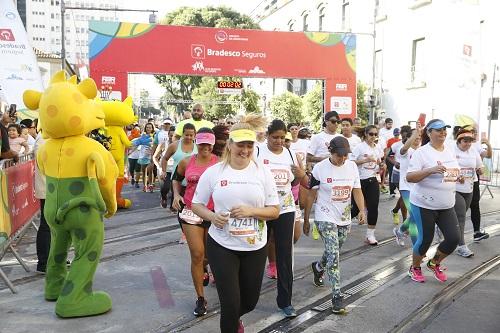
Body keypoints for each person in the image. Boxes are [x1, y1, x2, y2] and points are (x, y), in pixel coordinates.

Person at [191, 114, 280, 333]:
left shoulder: (263, 172)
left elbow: (275, 210)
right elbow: (196, 204)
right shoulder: (214, 173)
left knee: (249, 301)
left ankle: (235, 319)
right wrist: (212, 217)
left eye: (249, 145)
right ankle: (232, 322)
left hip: (255, 246)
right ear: (230, 145)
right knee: (230, 305)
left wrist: (252, 211)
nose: (245, 150)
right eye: (240, 145)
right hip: (222, 245)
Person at [303, 136, 366, 314]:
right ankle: (337, 296)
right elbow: (310, 196)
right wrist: (307, 219)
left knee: (334, 250)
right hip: (325, 215)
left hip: (344, 217)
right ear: (331, 152)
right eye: (340, 155)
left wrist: (362, 210)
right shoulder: (320, 169)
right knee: (334, 254)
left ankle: (318, 267)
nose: (343, 159)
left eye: (346, 155)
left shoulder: (352, 166)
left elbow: (357, 190)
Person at [256, 119, 305, 318]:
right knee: (257, 251)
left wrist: (301, 174)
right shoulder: (258, 151)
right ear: (267, 136)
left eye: (281, 138)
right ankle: (245, 295)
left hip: (285, 209)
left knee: (285, 255)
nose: (278, 141)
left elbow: (296, 178)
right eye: (274, 137)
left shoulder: (291, 153)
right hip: (263, 209)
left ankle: (285, 301)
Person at [406, 119, 461, 283]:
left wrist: (459, 177)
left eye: (445, 129)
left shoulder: (449, 150)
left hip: (446, 204)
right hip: (424, 204)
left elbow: (452, 172)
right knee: (425, 240)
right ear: (429, 133)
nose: (443, 132)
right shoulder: (421, 152)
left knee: (453, 239)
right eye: (438, 130)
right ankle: (415, 267)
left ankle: (434, 262)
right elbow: (409, 177)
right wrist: (430, 170)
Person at [172, 128, 219, 317]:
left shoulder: (221, 163)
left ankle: (205, 268)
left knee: (210, 256)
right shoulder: (187, 162)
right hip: (190, 211)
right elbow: (176, 178)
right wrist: (176, 195)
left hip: (214, 213)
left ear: (213, 144)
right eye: (202, 143)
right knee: (197, 254)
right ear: (196, 143)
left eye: (209, 143)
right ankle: (201, 298)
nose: (205, 147)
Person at [161, 123, 196, 242]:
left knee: (192, 207)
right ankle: (184, 233)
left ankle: (193, 231)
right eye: (187, 135)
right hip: (177, 181)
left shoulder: (198, 147)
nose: (189, 137)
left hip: (193, 183)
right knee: (181, 208)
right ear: (182, 134)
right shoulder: (175, 146)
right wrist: (163, 171)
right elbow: (164, 158)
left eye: (192, 135)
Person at [350, 125, 385, 245]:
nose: (373, 137)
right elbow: (350, 162)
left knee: (373, 207)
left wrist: (381, 166)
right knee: (355, 209)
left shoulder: (377, 147)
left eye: (376, 134)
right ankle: (341, 224)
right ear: (365, 134)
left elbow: (380, 161)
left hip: (372, 179)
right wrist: (364, 160)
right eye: (371, 134)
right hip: (359, 181)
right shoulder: (359, 147)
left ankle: (370, 235)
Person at [453, 129, 483, 258]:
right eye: (465, 141)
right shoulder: (451, 150)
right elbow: (444, 169)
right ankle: (461, 246)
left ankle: (444, 228)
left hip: (469, 188)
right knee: (461, 217)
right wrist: (456, 175)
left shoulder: (473, 151)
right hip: (454, 189)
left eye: (470, 141)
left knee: (458, 217)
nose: (468, 144)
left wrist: (481, 170)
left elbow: (479, 166)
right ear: (459, 141)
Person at [393, 126, 422, 247]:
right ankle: (417, 246)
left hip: (418, 188)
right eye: (415, 137)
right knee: (414, 215)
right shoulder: (404, 150)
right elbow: (405, 148)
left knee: (415, 217)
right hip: (406, 187)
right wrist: (414, 134)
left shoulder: (421, 152)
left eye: (419, 137)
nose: (417, 139)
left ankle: (399, 231)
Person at [466, 125, 492, 242]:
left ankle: (476, 232)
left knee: (475, 205)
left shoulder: (475, 147)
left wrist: (488, 144)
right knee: (460, 209)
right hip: (457, 183)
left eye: (474, 132)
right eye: (471, 132)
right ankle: (450, 233)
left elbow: (488, 156)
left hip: (473, 181)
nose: (474, 134)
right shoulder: (453, 146)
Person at [153, 125, 176, 208]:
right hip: (164, 170)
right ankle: (164, 197)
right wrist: (159, 167)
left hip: (175, 170)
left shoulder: (180, 146)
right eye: (171, 135)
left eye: (174, 136)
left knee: (175, 190)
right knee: (165, 188)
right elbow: (155, 157)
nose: (172, 138)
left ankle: (173, 207)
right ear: (168, 135)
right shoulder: (163, 144)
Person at [137, 123, 155, 192]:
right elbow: (139, 143)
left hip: (150, 155)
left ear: (152, 129)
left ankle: (151, 185)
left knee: (150, 171)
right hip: (143, 155)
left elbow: (155, 145)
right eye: (147, 127)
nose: (148, 129)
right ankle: (145, 186)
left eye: (150, 127)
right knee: (144, 171)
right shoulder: (142, 135)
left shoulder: (154, 136)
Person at [385, 127, 401, 197]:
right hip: (390, 160)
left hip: (397, 160)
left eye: (398, 134)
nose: (397, 135)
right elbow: (388, 151)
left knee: (397, 175)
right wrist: (386, 159)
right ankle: (392, 191)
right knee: (391, 174)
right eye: (395, 134)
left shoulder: (401, 140)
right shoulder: (390, 140)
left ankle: (397, 190)